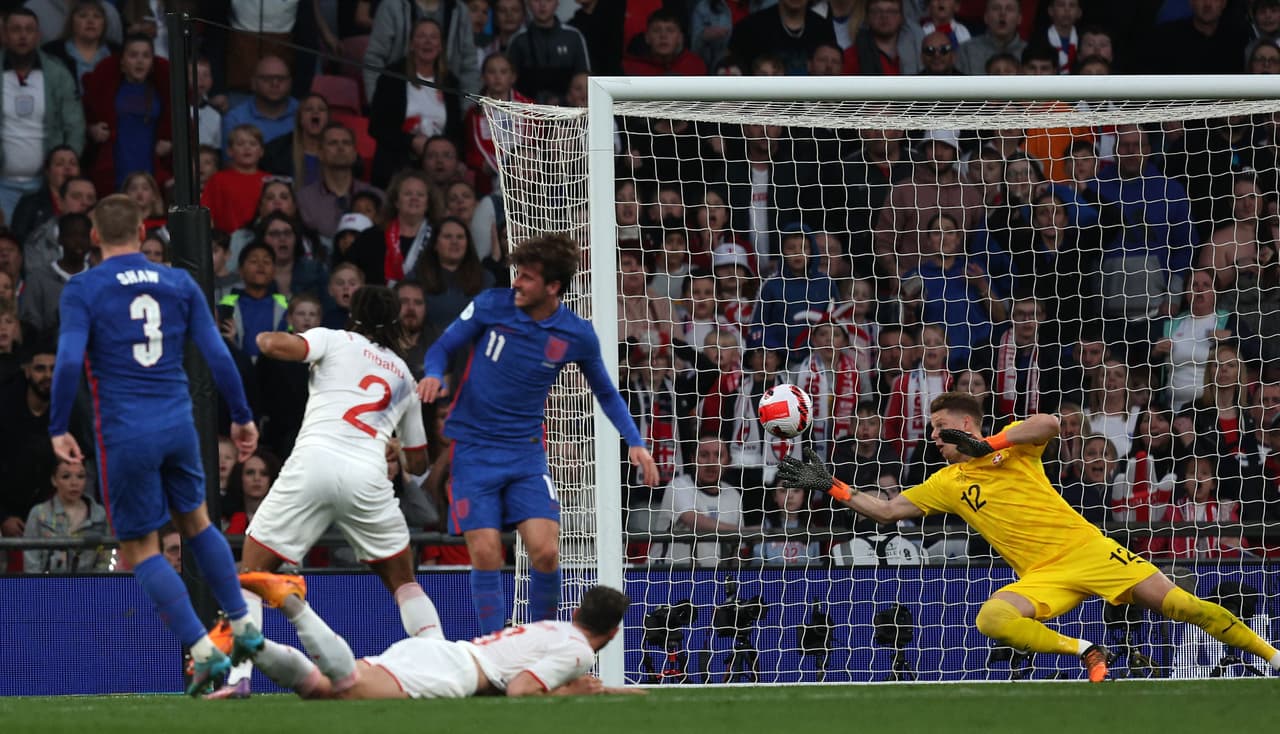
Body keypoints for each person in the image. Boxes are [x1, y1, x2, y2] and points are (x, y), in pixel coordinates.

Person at [777, 390, 1280, 681]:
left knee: (1184, 607)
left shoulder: (1011, 448)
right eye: (931, 431)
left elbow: (1051, 423)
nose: (933, 437)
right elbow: (887, 511)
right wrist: (835, 487)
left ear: (967, 424)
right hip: (1041, 575)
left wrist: (986, 444)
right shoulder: (945, 484)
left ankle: (1274, 657)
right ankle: (1084, 650)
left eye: (940, 427)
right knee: (991, 619)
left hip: (1089, 550)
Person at [47, 194, 262, 695]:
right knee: (197, 522)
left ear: (96, 236)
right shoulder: (178, 282)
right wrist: (243, 417)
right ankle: (244, 625)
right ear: (144, 231)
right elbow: (217, 353)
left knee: (140, 548)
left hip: (126, 433)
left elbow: (66, 362)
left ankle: (203, 651)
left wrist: (59, 425)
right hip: (178, 425)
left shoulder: (84, 288)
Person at [417, 233, 658, 634]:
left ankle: (542, 642)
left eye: (527, 277)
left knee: (546, 553)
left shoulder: (576, 334)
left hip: (525, 454)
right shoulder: (491, 305)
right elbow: (441, 348)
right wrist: (431, 375)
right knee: (487, 553)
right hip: (473, 451)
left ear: (553, 287)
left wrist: (635, 441)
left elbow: (606, 392)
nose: (517, 283)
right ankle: (494, 643)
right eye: (518, 274)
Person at [210, 286, 434, 698]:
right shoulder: (404, 375)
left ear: (355, 316)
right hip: (366, 476)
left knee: (250, 575)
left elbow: (271, 343)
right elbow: (419, 466)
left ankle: (238, 677)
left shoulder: (333, 338)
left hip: (312, 464)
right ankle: (437, 662)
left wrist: (275, 340)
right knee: (403, 581)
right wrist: (397, 446)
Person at [238, 579, 641, 699]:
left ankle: (248, 640)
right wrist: (573, 692)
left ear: (575, 613)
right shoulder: (577, 651)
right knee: (346, 687)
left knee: (319, 688)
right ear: (613, 632)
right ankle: (293, 603)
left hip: (444, 652)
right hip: (453, 672)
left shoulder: (554, 628)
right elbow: (520, 691)